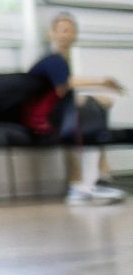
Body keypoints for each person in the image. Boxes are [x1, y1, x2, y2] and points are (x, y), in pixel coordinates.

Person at [23, 13, 125, 205]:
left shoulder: (63, 62)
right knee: (89, 111)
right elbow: (64, 86)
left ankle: (92, 179)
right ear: (52, 33)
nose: (66, 35)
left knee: (94, 108)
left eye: (70, 30)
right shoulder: (53, 60)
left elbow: (63, 90)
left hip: (53, 116)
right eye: (61, 30)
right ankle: (85, 182)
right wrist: (102, 82)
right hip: (39, 120)